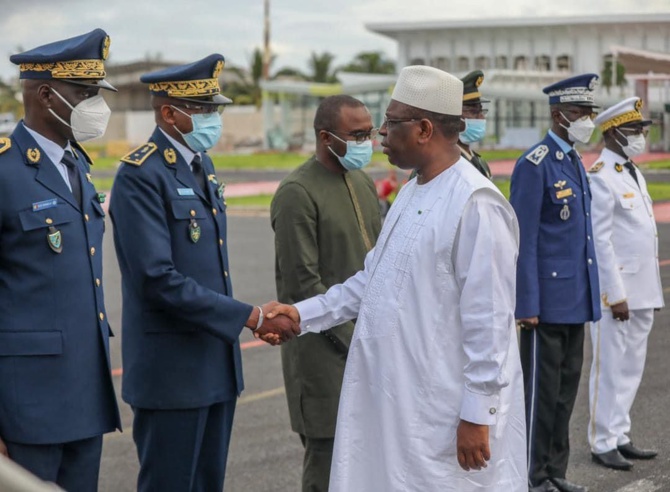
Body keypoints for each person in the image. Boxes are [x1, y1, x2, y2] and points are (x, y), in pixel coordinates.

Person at [268, 65, 527, 492]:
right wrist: (300, 314)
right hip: (397, 402)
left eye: (391, 122)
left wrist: (479, 414)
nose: (381, 134)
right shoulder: (412, 190)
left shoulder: (476, 203)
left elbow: (491, 321)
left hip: (444, 408)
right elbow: (372, 281)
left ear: (425, 129)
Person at [109, 54, 299, 492]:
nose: (215, 118)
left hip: (213, 364)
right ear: (169, 113)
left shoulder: (201, 166)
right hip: (171, 372)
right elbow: (158, 279)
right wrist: (251, 317)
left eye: (216, 109)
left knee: (207, 483)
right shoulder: (141, 176)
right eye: (204, 110)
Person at [0, 29, 121, 490]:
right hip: (24, 408)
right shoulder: (6, 172)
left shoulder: (77, 168)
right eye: (86, 93)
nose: (97, 106)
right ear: (46, 95)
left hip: (83, 398)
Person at [271, 95, 382, 492]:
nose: (366, 141)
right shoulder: (296, 193)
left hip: (368, 346)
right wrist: (361, 342)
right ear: (325, 137)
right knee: (330, 463)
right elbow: (305, 287)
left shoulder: (363, 181)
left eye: (368, 132)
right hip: (324, 356)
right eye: (356, 134)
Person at [510, 74, 602, 492]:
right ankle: (532, 476)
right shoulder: (535, 164)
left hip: (574, 300)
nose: (587, 120)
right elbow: (524, 239)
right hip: (544, 305)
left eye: (589, 112)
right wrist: (525, 303)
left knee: (565, 394)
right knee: (540, 396)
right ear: (558, 114)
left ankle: (556, 473)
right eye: (581, 112)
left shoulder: (573, 163)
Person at [587, 97, 663, 470]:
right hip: (616, 295)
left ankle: (620, 433)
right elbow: (599, 240)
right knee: (610, 368)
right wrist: (613, 294)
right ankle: (602, 441)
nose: (641, 137)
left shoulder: (632, 172)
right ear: (614, 132)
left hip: (643, 290)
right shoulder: (601, 176)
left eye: (642, 130)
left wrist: (648, 292)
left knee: (632, 367)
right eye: (635, 131)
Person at [409, 69, 492, 180]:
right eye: (473, 111)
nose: (481, 117)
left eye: (481, 111)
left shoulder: (480, 163)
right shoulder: (436, 167)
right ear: (451, 116)